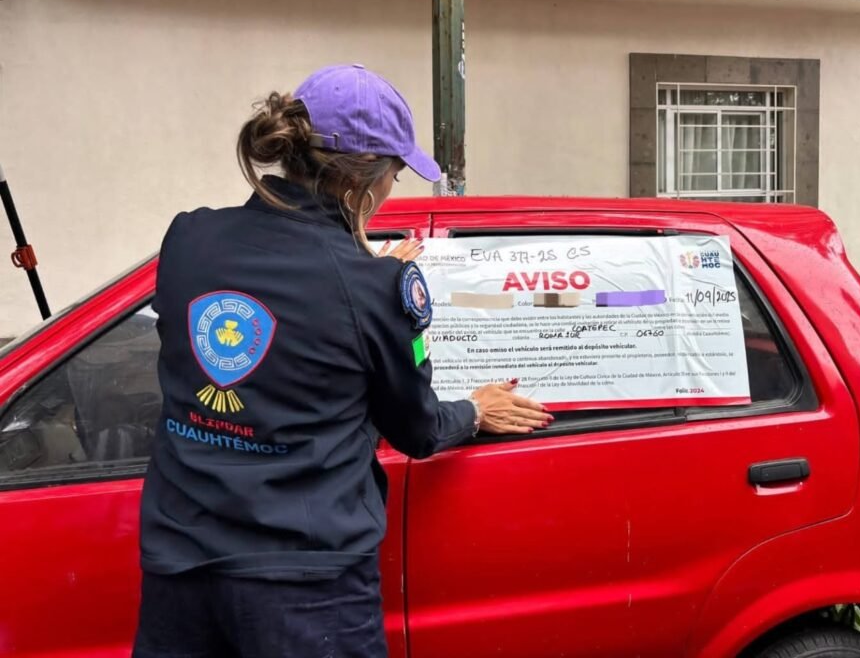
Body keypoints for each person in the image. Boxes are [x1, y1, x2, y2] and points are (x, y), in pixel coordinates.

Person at [132, 64, 552, 658]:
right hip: (307, 588)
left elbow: (223, 341)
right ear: (365, 182)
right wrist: (475, 409)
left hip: (178, 569)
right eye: (396, 175)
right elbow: (417, 429)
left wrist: (362, 272)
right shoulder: (373, 288)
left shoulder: (189, 238)